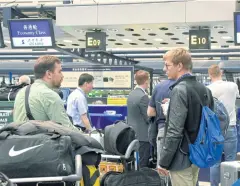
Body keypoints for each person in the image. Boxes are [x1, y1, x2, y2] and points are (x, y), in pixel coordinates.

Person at [158, 48, 214, 186]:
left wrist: (164, 161)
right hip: (197, 154)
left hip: (181, 157)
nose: (165, 69)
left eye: (167, 65)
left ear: (179, 66)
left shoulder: (180, 89)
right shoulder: (204, 89)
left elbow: (174, 131)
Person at [13, 55, 76, 130]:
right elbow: (67, 129)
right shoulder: (50, 96)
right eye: (59, 71)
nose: (62, 76)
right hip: (42, 141)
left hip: (20, 140)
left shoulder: (21, 92)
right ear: (49, 74)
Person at [207, 64, 239, 186]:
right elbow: (237, 98)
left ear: (209, 75)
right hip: (230, 127)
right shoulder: (232, 86)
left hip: (214, 129)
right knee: (230, 161)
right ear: (221, 73)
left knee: (215, 162)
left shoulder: (208, 89)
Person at [147, 78, 175, 167]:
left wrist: (161, 112)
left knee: (162, 166)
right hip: (184, 131)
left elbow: (150, 112)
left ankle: (163, 180)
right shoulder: (187, 85)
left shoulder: (159, 87)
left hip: (163, 129)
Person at [127, 70, 150, 168]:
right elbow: (148, 118)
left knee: (134, 163)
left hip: (132, 134)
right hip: (143, 136)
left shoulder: (131, 94)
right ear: (146, 81)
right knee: (143, 163)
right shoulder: (143, 97)